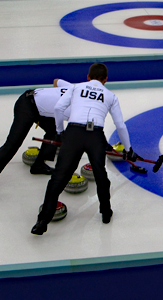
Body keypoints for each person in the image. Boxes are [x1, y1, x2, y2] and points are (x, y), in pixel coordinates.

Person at [31, 63, 138, 235]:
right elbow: (120, 125)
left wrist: (60, 132)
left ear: (88, 77)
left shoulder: (75, 88)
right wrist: (129, 148)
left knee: (59, 177)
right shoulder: (111, 96)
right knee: (100, 174)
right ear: (105, 80)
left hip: (73, 132)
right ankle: (106, 212)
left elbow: (59, 108)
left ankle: (42, 221)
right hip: (95, 135)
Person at [0, 79, 72, 175]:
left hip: (41, 110)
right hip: (26, 105)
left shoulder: (76, 88)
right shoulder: (75, 111)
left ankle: (38, 165)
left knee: (53, 133)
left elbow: (57, 81)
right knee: (12, 145)